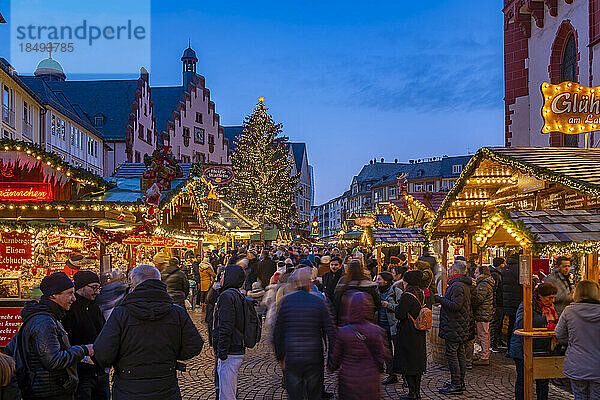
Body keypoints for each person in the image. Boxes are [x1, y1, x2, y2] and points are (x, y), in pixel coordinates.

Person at [93, 265, 204, 400]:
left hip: (128, 386)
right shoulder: (177, 312)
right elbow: (194, 345)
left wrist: (121, 361)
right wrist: (170, 356)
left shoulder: (121, 313)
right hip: (165, 384)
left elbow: (103, 352)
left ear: (133, 286)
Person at [7, 272, 93, 400]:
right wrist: (84, 350)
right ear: (54, 295)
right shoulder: (44, 321)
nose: (74, 298)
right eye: (69, 293)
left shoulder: (48, 317)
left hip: (47, 389)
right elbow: (53, 360)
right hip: (48, 392)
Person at [273, 267, 335, 400]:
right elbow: (330, 330)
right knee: (314, 394)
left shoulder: (286, 301)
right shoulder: (318, 301)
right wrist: (331, 358)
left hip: (292, 356)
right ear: (309, 282)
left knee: (295, 395)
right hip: (313, 356)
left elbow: (278, 331)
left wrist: (280, 356)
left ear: (295, 283)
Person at [327, 292, 390, 400]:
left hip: (348, 380)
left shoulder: (343, 332)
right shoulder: (377, 331)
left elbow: (335, 359)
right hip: (370, 380)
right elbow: (382, 356)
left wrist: (331, 367)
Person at [62, 270, 110, 400]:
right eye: (94, 287)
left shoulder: (95, 307)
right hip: (81, 370)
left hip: (99, 368)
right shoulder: (70, 309)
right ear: (81, 287)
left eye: (98, 288)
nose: (97, 292)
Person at [509, 282, 557, 400]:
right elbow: (521, 323)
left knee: (543, 380)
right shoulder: (527, 305)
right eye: (550, 297)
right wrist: (545, 319)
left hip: (542, 348)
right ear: (540, 296)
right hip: (523, 348)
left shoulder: (550, 308)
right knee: (524, 380)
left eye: (554, 298)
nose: (552, 301)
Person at [555, 280, 600, 400]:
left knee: (579, 396)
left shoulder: (569, 311)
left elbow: (559, 334)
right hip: (597, 365)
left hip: (577, 363)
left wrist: (573, 338)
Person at [434, 260, 473, 395]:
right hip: (459, 324)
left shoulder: (457, 285)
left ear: (455, 272)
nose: (449, 271)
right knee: (459, 353)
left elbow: (456, 306)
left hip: (454, 324)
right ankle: (459, 382)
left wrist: (440, 299)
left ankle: (456, 383)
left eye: (450, 269)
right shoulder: (462, 284)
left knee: (453, 354)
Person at [213, 264, 248, 400]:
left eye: (223, 274)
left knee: (227, 393)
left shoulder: (226, 296)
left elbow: (226, 325)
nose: (221, 276)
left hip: (230, 350)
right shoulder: (236, 294)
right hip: (236, 347)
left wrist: (222, 350)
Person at [395, 270, 427, 400]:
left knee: (408, 362)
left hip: (408, 331)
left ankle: (412, 393)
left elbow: (400, 314)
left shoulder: (407, 295)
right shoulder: (421, 293)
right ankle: (417, 392)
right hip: (419, 331)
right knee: (417, 362)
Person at [334, 260, 381, 325]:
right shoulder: (367, 282)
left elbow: (336, 302)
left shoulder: (343, 281)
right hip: (365, 319)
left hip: (345, 319)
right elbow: (377, 302)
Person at [375, 271, 400, 385]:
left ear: (386, 281)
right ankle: (392, 374)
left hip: (394, 325)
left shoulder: (396, 291)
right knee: (387, 352)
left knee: (399, 351)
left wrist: (388, 305)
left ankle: (404, 376)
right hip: (381, 325)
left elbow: (401, 307)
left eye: (379, 279)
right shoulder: (376, 292)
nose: (377, 281)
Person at [471, 265, 494, 366]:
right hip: (484, 311)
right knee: (483, 334)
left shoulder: (483, 284)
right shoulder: (484, 283)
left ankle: (485, 356)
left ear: (481, 273)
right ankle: (484, 354)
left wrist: (472, 298)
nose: (474, 274)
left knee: (483, 334)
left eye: (476, 272)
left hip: (483, 312)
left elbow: (479, 299)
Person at [502, 253, 522, 353]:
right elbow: (524, 284)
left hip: (507, 301)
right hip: (517, 300)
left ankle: (509, 348)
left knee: (510, 324)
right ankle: (515, 349)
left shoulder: (505, 269)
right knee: (517, 325)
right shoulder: (519, 269)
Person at [490, 257, 505, 351]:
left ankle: (498, 341)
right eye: (504, 263)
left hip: (500, 302)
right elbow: (494, 290)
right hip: (498, 303)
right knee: (495, 323)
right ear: (500, 265)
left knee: (499, 323)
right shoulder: (496, 275)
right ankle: (493, 344)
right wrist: (494, 304)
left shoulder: (497, 274)